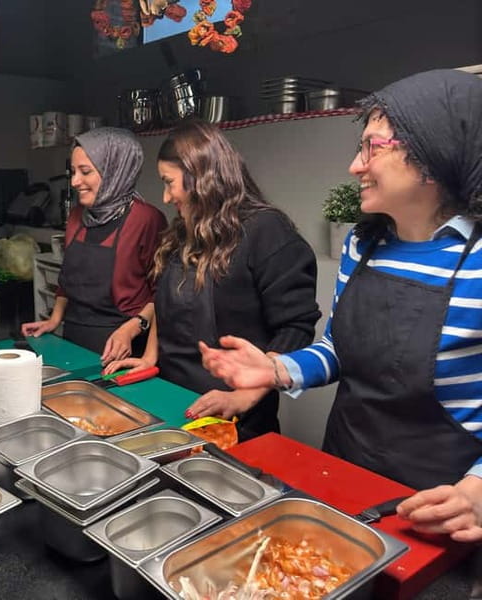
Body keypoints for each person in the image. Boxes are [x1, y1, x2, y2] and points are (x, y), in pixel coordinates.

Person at [196, 69, 482, 542]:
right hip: (345, 475)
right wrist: (276, 370)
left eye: (373, 147)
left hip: (441, 506)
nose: (355, 165)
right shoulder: (363, 244)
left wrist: (477, 491)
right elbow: (337, 348)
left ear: (435, 155)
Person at [106, 120, 320, 439]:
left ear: (200, 179)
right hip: (170, 398)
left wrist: (243, 396)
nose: (165, 197)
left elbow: (295, 328)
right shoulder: (184, 229)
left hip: (233, 417)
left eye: (169, 183)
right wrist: (150, 357)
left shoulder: (267, 232)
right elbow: (165, 304)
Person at [21, 127, 167, 363]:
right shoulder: (77, 216)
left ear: (114, 171)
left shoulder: (146, 220)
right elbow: (66, 280)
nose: (75, 181)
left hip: (122, 346)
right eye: (73, 172)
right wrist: (55, 318)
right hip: (73, 339)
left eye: (85, 171)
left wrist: (131, 329)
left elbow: (162, 294)